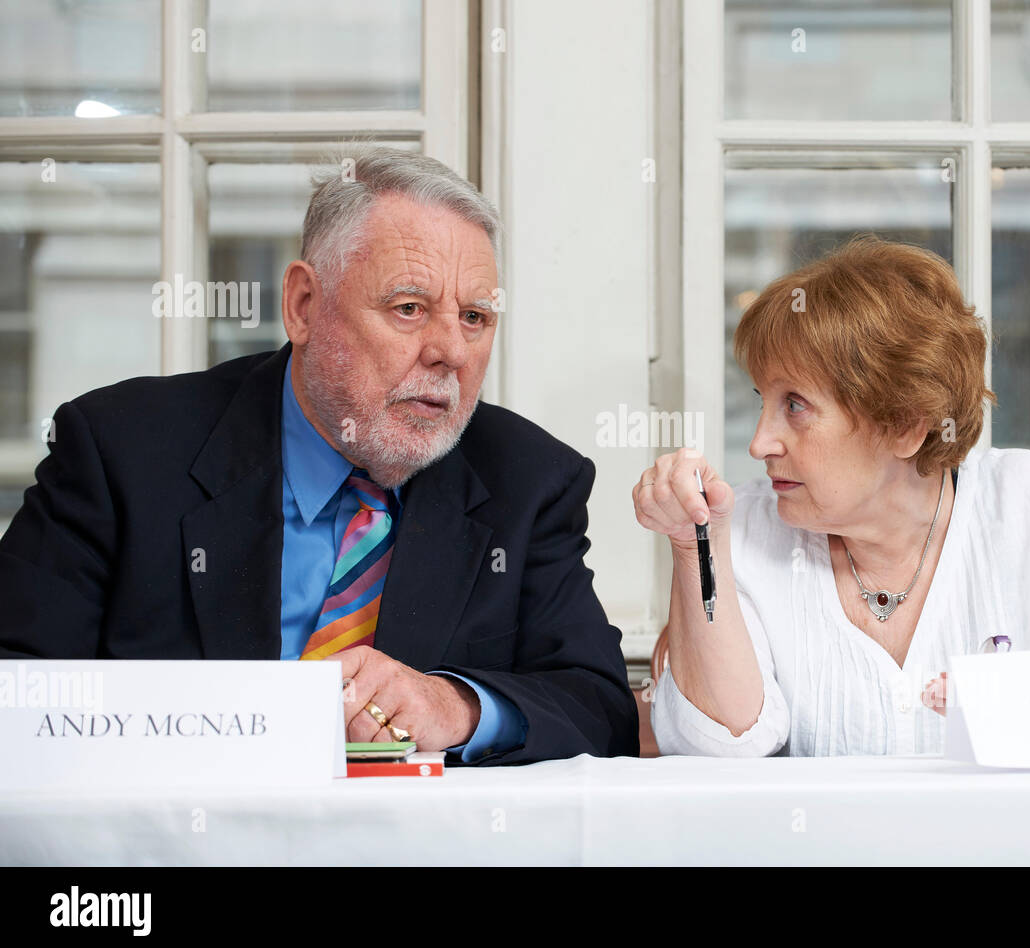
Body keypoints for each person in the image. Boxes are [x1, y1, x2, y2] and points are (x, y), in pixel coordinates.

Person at [0, 145, 638, 765]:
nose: (452, 351)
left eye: (475, 317)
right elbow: (17, 687)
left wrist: (457, 707)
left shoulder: (528, 479)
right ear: (304, 305)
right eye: (410, 309)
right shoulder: (122, 450)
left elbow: (600, 708)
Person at [636, 237, 1030, 758]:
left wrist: (1012, 709)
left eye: (795, 405)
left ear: (905, 426)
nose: (758, 444)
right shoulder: (745, 528)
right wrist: (693, 544)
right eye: (764, 402)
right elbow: (721, 749)